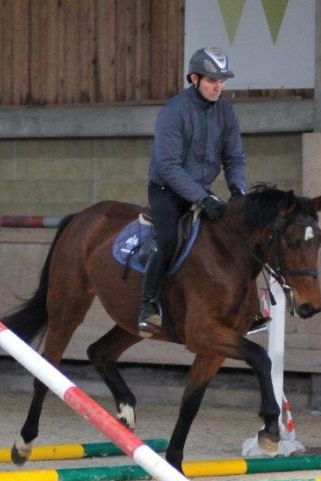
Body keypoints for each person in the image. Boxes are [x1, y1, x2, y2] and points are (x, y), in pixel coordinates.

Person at [137, 46, 251, 337]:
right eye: (212, 81)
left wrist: (238, 191)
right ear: (194, 79)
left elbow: (234, 158)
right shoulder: (174, 112)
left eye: (222, 82)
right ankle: (148, 306)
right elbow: (169, 166)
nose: (218, 87)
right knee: (167, 239)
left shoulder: (226, 111)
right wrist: (202, 197)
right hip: (167, 191)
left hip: (203, 190)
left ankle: (248, 309)